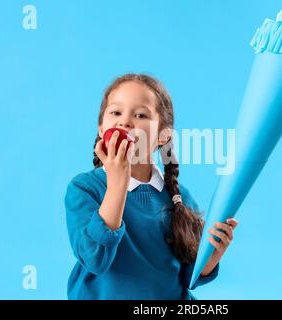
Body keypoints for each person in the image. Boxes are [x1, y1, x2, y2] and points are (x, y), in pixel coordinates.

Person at [64, 73, 238, 299]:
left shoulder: (179, 198)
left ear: (163, 136)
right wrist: (117, 184)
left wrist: (209, 258)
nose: (124, 122)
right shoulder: (84, 188)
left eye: (140, 115)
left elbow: (187, 276)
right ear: (100, 129)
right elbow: (95, 259)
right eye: (115, 112)